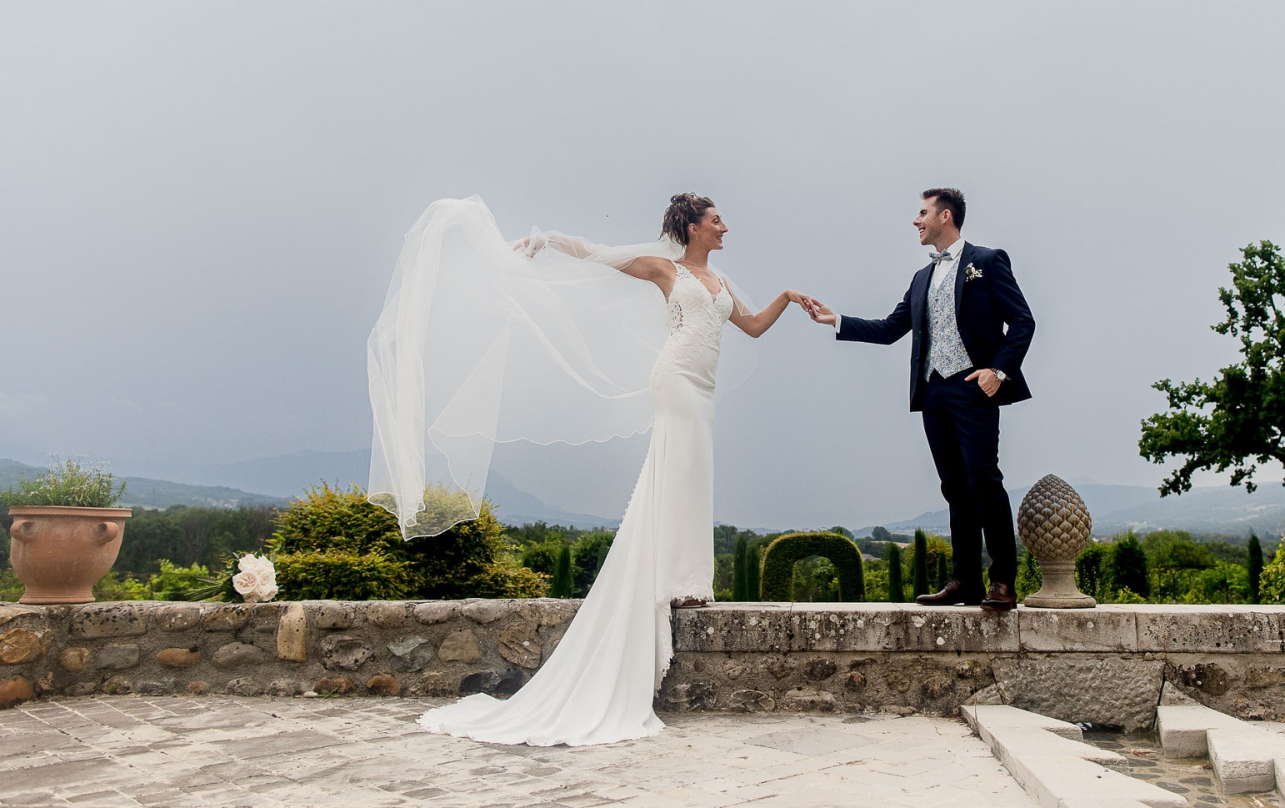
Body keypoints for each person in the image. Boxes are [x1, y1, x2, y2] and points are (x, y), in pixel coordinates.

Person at [366, 193, 814, 745]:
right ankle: (677, 581)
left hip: (705, 387)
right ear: (693, 227)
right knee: (677, 469)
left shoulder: (719, 281)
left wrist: (789, 298)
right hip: (674, 379)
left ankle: (688, 580)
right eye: (716, 219)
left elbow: (751, 326)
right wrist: (549, 239)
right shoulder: (663, 268)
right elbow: (600, 254)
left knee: (694, 473)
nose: (725, 226)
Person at [807, 188, 1034, 611]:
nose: (916, 220)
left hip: (973, 385)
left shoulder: (986, 261)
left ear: (945, 216)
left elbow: (1023, 321)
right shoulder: (921, 278)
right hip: (933, 391)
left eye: (922, 212)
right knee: (955, 488)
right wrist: (836, 320)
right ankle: (964, 581)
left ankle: (1002, 580)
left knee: (984, 478)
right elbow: (892, 328)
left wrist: (997, 371)